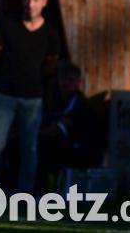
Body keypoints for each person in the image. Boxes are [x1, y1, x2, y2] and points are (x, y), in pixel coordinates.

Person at [0, 0, 60, 194]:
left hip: (33, 98)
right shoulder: (6, 25)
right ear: (21, 0)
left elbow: (51, 66)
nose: (31, 4)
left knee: (30, 149)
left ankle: (25, 195)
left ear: (44, 2)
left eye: (35, 0)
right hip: (4, 95)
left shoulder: (50, 34)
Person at [37, 62, 102, 191]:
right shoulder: (58, 101)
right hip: (69, 147)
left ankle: (44, 190)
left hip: (83, 153)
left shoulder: (79, 104)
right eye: (62, 79)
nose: (66, 83)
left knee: (43, 145)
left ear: (79, 82)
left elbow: (55, 130)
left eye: (70, 80)